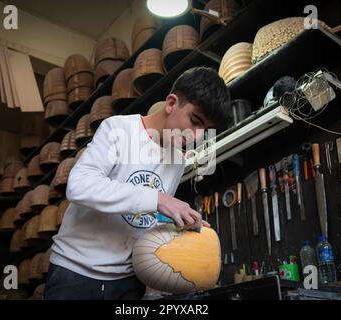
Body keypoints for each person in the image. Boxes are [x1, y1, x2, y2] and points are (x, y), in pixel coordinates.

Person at [44, 67, 232, 300]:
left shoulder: (177, 161)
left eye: (205, 129)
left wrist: (177, 220)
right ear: (172, 103)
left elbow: (145, 216)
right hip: (75, 274)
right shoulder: (119, 130)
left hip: (128, 283)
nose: (198, 136)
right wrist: (159, 199)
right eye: (195, 121)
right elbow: (79, 185)